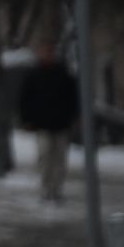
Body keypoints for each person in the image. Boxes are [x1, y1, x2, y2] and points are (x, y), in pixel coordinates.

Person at [17, 40, 81, 202]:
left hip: (60, 124)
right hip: (43, 125)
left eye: (49, 52)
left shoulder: (63, 74)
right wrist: (27, 119)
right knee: (45, 157)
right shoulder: (34, 75)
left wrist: (71, 116)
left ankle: (56, 188)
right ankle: (47, 188)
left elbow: (72, 98)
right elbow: (25, 100)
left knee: (59, 159)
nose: (47, 56)